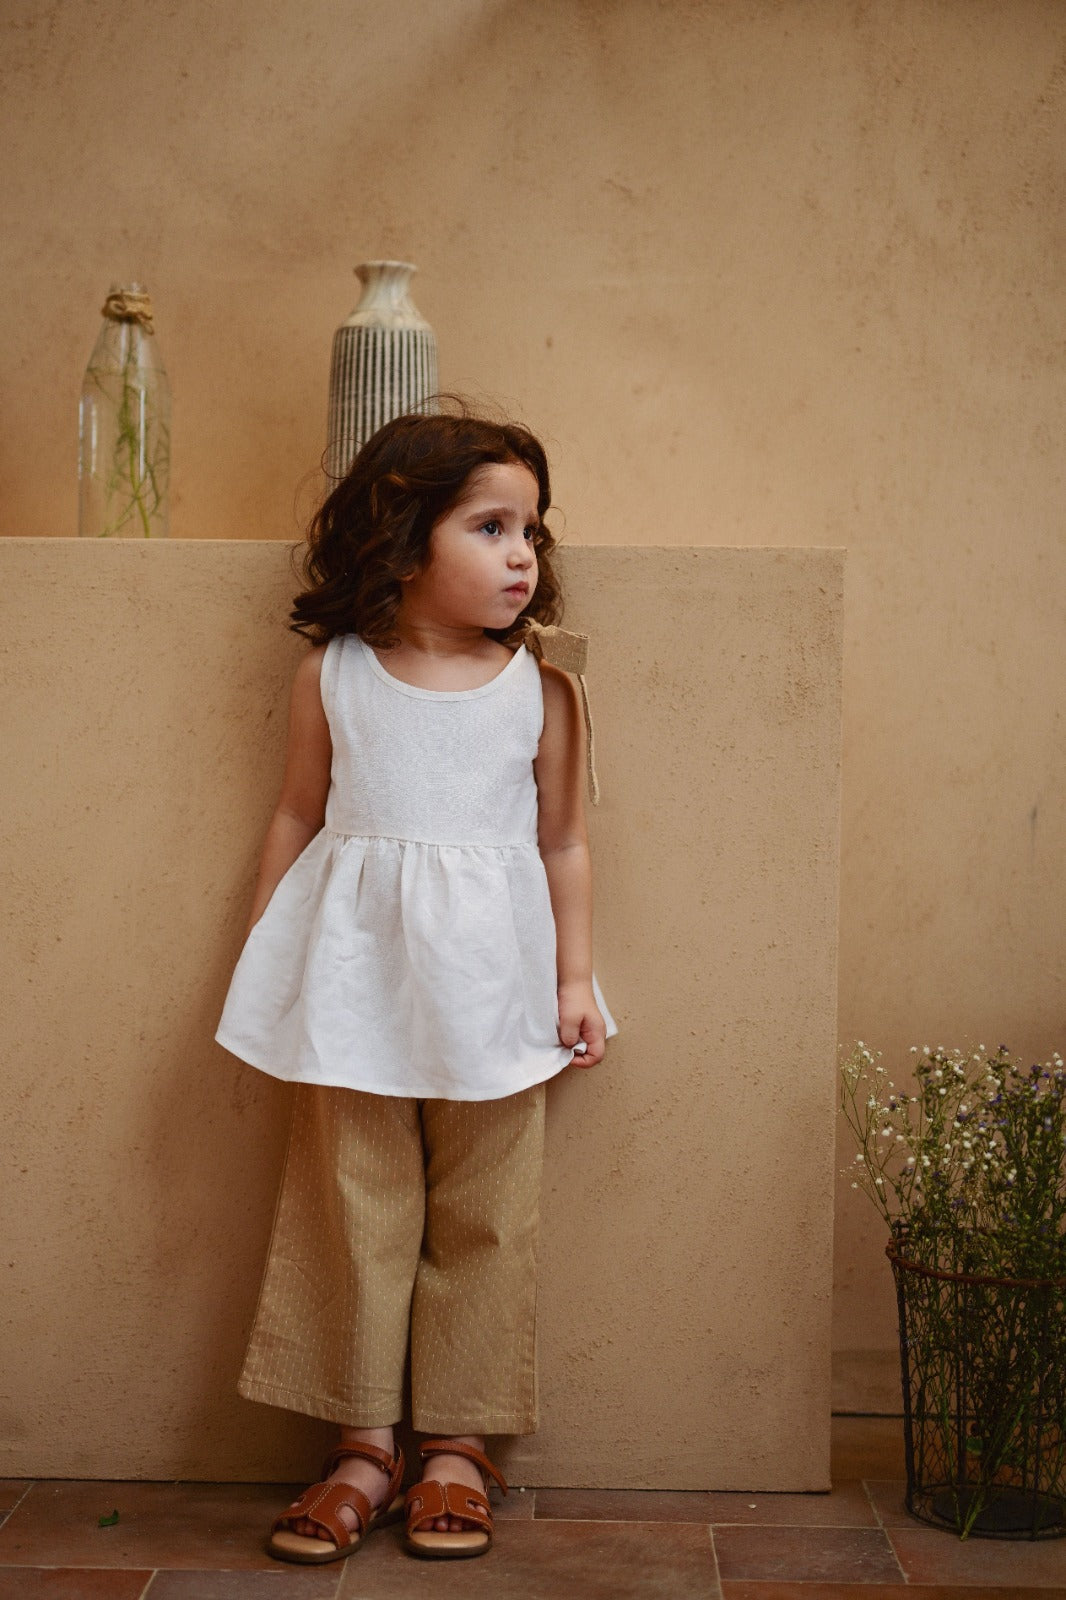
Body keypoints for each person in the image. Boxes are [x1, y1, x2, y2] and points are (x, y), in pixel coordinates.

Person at [216, 409, 615, 1565]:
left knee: (489, 1218)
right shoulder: (333, 676)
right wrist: (265, 955)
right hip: (351, 992)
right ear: (401, 536)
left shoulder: (539, 688)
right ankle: (361, 1444)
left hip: (495, 993)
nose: (521, 553)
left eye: (530, 528)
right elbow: (296, 812)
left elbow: (565, 843)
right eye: (490, 525)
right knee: (353, 1209)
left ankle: (455, 1445)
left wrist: (576, 979)